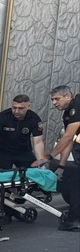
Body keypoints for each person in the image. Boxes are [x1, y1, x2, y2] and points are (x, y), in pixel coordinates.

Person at [0, 94, 47, 222]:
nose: (16, 111)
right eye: (14, 107)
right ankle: (6, 213)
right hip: (4, 153)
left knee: (31, 179)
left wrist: (41, 163)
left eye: (21, 108)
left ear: (28, 106)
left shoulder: (34, 118)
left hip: (23, 152)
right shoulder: (3, 116)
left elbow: (38, 143)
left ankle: (18, 203)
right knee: (2, 184)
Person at [48, 85, 80, 232]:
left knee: (76, 184)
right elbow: (69, 140)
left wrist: (49, 156)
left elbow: (67, 137)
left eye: (57, 99)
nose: (54, 103)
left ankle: (75, 220)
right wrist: (61, 166)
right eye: (52, 100)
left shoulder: (77, 105)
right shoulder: (68, 113)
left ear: (68, 96)